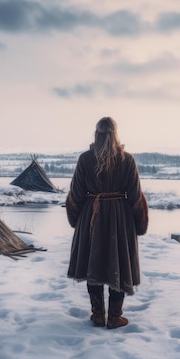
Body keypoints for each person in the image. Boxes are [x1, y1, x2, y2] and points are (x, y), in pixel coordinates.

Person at [66, 116, 149, 329]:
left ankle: (98, 315)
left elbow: (75, 194)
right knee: (118, 263)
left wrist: (76, 220)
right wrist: (139, 223)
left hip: (91, 217)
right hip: (119, 219)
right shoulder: (127, 160)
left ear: (97, 134)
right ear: (115, 134)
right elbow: (135, 197)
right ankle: (114, 316)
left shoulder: (85, 159)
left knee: (92, 263)